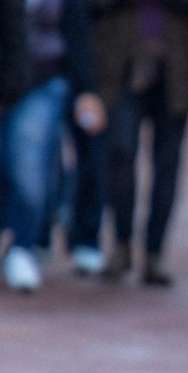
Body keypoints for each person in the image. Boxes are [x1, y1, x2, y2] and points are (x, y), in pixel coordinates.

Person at [92, 0, 188, 286]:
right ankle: (122, 242)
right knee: (121, 155)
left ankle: (155, 252)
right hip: (121, 65)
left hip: (177, 68)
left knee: (167, 164)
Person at [1, 0, 106, 292]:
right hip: (8, 77)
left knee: (30, 165)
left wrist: (87, 90)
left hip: (43, 80)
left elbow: (77, 32)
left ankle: (23, 246)